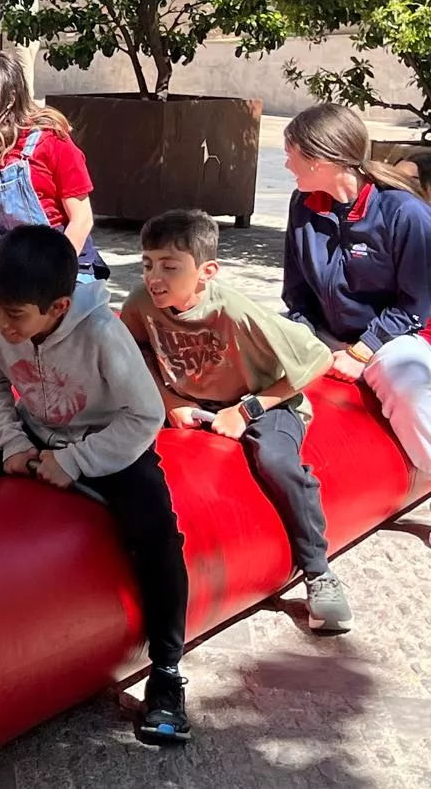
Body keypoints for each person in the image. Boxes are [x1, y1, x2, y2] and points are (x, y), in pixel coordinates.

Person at [0, 225, 192, 743]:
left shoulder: (101, 332)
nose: (0, 323)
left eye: (14, 316)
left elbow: (144, 416)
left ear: (57, 307)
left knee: (158, 537)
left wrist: (75, 462)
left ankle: (167, 673)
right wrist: (12, 443)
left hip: (108, 442)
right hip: (30, 430)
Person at [122, 209, 351, 632]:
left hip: (263, 402)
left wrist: (247, 411)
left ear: (206, 271)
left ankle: (320, 573)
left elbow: (317, 359)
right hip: (190, 401)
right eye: (148, 264)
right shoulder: (140, 303)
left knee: (278, 462)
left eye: (170, 267)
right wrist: (169, 398)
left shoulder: (237, 311)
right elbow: (135, 349)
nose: (155, 277)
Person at [281, 104, 431, 473]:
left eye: (291, 155)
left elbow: (417, 303)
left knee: (409, 389)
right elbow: (296, 291)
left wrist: (363, 351)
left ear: (320, 159)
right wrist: (298, 336)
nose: (286, 166)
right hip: (325, 333)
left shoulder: (403, 212)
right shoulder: (303, 205)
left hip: (393, 336)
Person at [0, 52, 109, 281]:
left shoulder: (51, 141)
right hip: (5, 258)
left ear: (10, 98)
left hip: (63, 258)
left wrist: (55, 273)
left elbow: (82, 219)